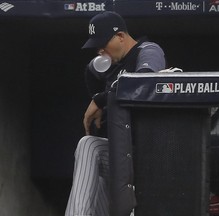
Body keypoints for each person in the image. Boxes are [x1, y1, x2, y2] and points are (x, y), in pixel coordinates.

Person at [65, 11, 166, 216]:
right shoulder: (113, 64)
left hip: (146, 161)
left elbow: (144, 83)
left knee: (90, 147)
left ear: (120, 36)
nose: (100, 50)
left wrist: (100, 99)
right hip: (120, 162)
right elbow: (90, 71)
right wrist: (98, 97)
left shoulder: (148, 50)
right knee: (89, 147)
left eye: (103, 43)